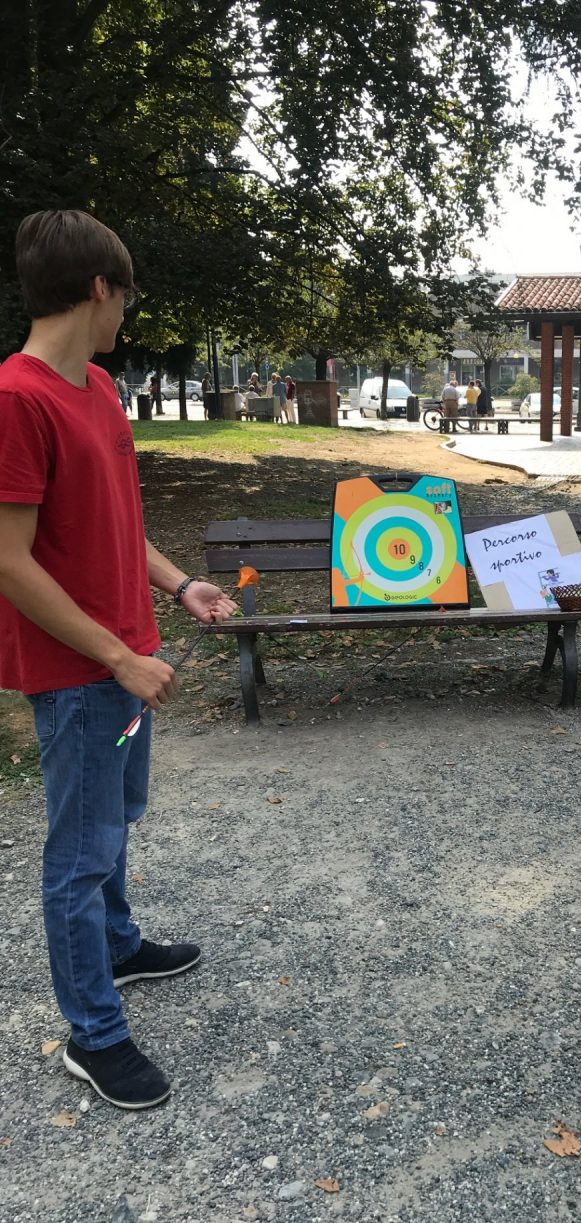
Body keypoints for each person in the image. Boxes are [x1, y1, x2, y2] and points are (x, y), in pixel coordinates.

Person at [0, 210, 238, 1111]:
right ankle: (92, 1034)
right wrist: (116, 656)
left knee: (113, 825)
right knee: (80, 850)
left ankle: (120, 946)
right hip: (78, 673)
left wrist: (181, 588)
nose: (124, 318)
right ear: (101, 288)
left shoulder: (97, 389)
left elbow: (116, 526)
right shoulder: (18, 399)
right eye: (124, 299)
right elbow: (8, 560)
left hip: (125, 657)